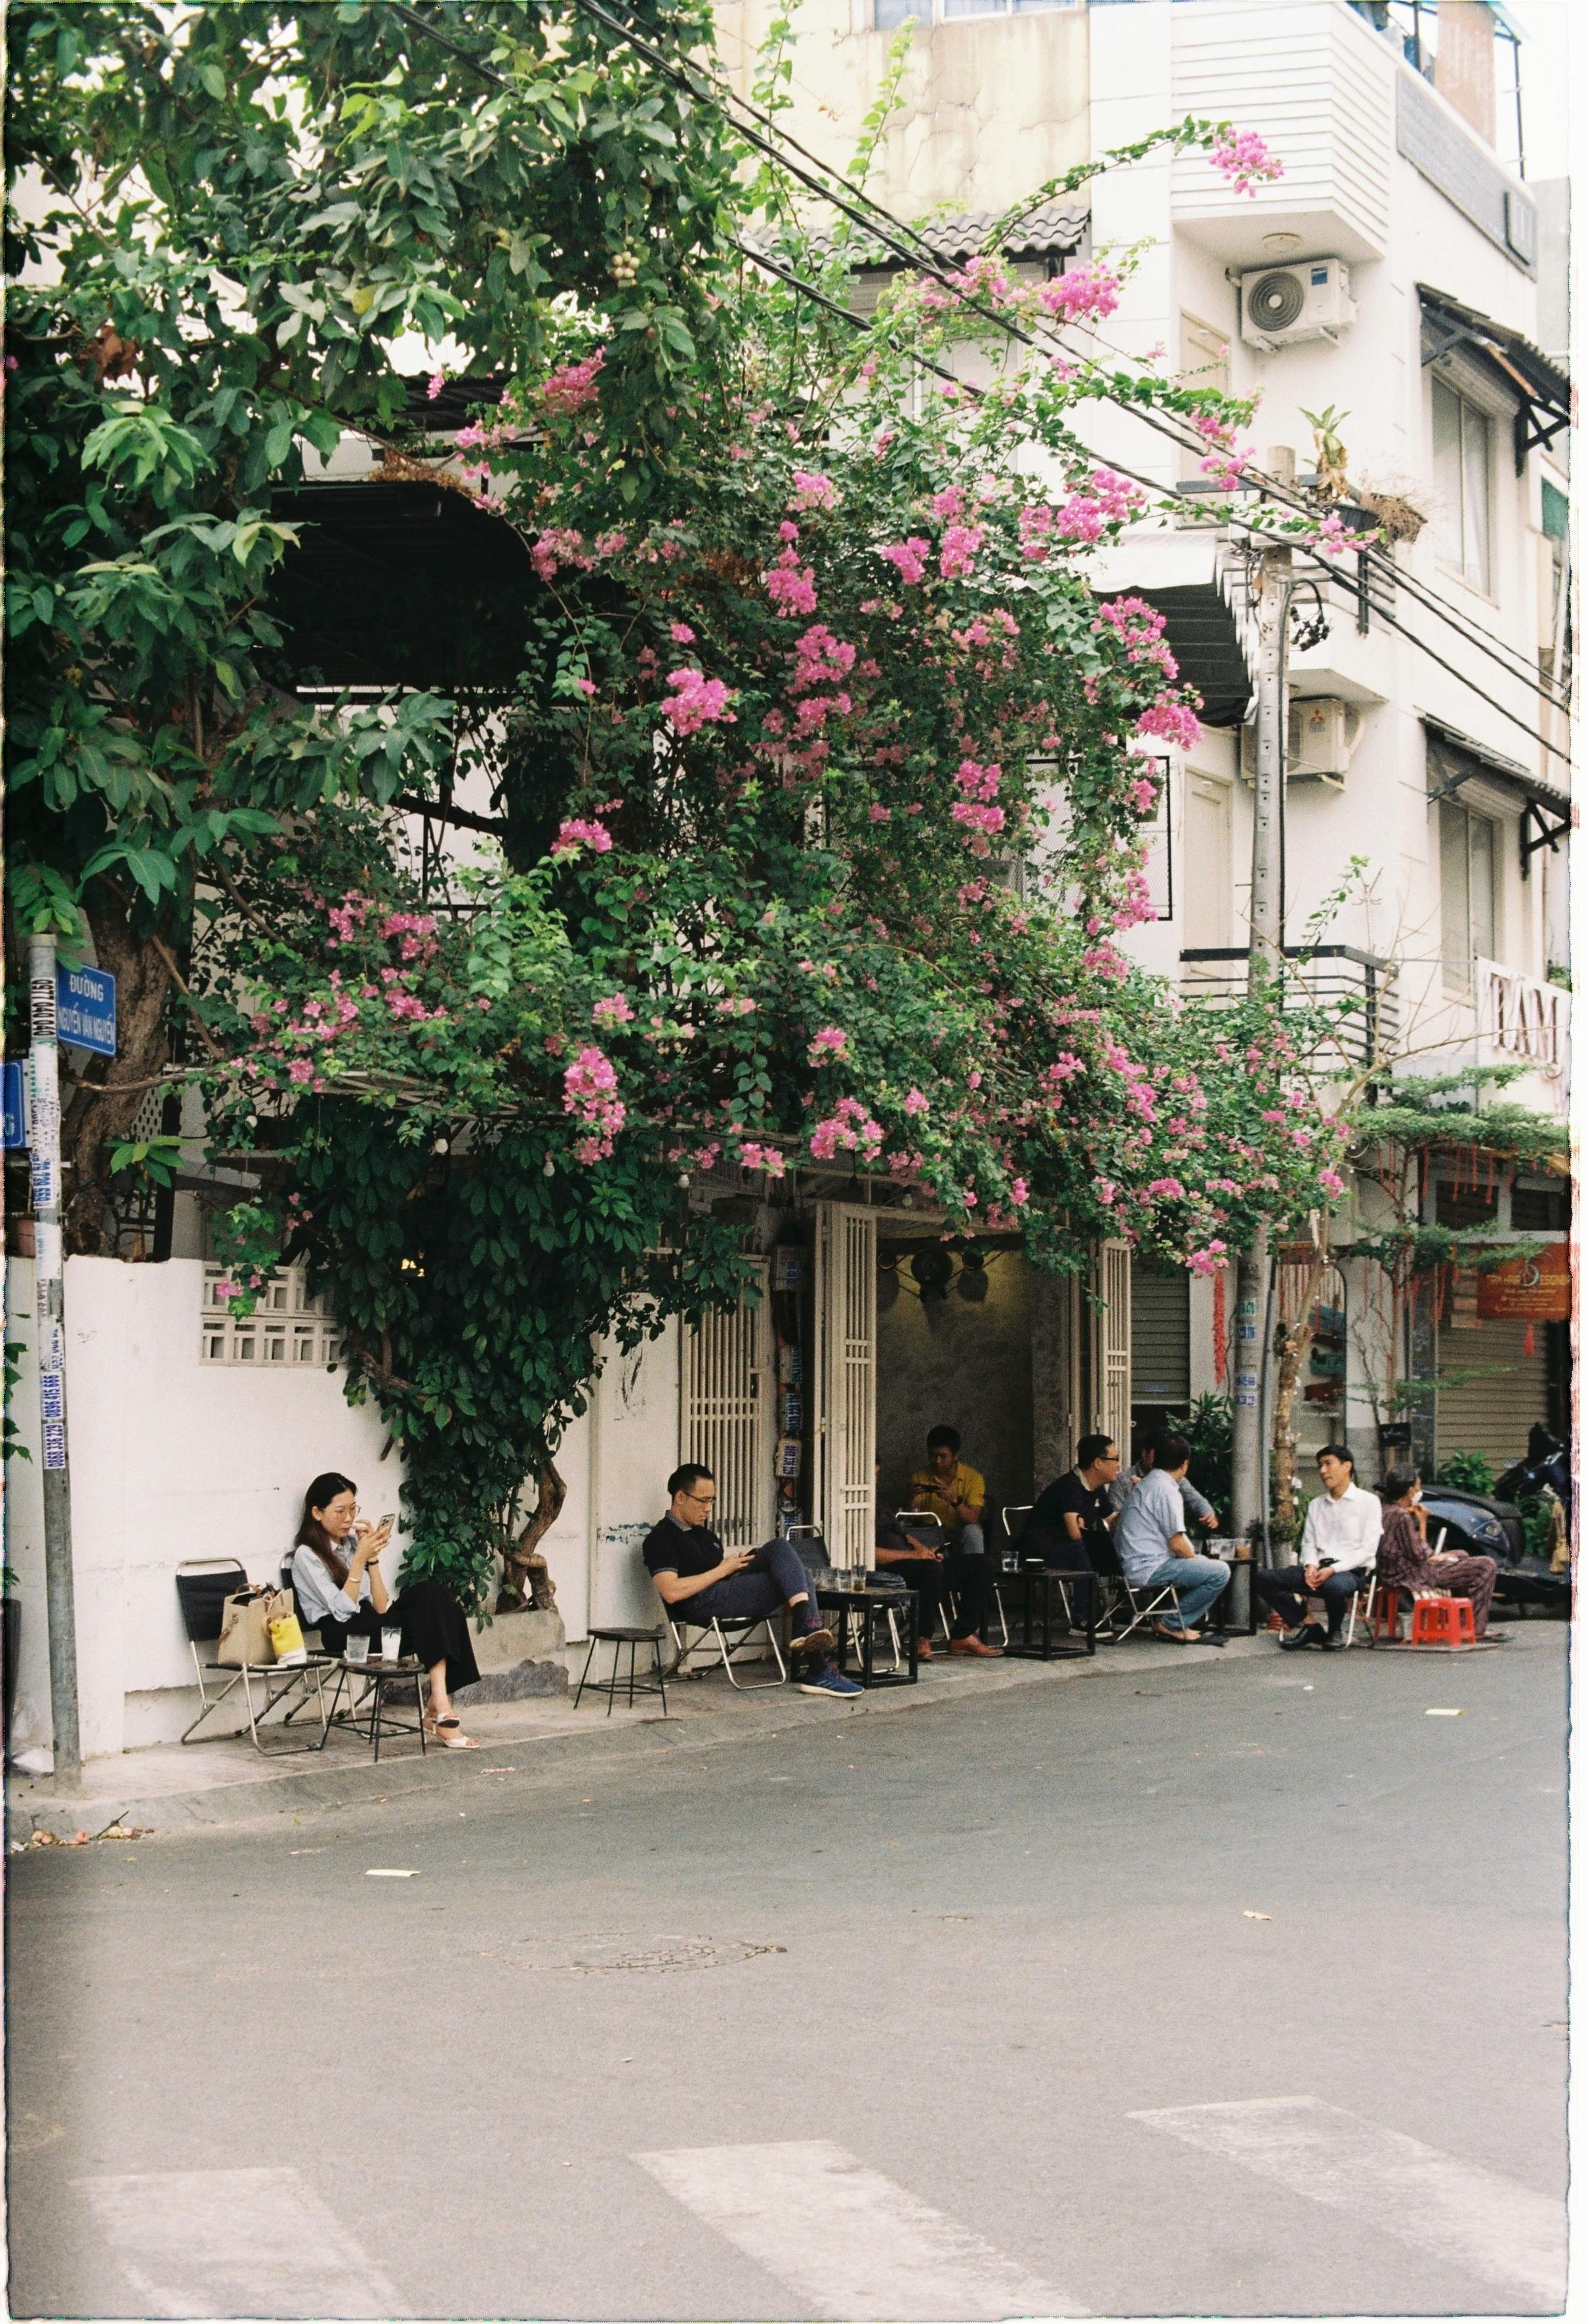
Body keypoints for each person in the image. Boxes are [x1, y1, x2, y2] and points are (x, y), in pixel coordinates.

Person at [291, 1471, 482, 1747]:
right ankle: (439, 1708)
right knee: (439, 1613)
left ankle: (438, 1701)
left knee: (434, 1593)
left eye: (353, 1509)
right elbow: (342, 1612)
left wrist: (373, 1560)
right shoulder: (306, 1556)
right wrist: (359, 1559)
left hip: (370, 1622)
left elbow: (381, 1607)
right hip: (342, 1632)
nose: (349, 1518)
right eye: (341, 1511)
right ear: (317, 1513)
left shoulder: (354, 1544)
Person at [642, 1463, 862, 1700]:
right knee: (797, 1577)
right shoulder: (661, 1538)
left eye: (712, 1501)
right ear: (680, 1498)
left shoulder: (704, 1535)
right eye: (703, 1501)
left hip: (725, 1588)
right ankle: (816, 1661)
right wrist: (721, 1570)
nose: (708, 1509)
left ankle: (808, 1631)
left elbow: (721, 1572)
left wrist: (736, 1565)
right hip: (701, 1603)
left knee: (780, 1549)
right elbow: (671, 1592)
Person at [1254, 1444, 1381, 1650]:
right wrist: (1311, 1566)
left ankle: (1334, 1630)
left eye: (1328, 1464)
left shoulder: (1369, 1502)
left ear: (1347, 1466)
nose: (1322, 1471)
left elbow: (1368, 1550)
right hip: (1318, 1568)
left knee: (1335, 1586)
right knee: (1264, 1579)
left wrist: (1333, 1570)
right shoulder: (1317, 1504)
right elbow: (1309, 1543)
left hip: (1350, 1571)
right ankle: (1309, 1623)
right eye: (1320, 1465)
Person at [1114, 1431, 1231, 1643]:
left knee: (1203, 1564)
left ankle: (1169, 1618)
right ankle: (1171, 1623)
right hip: (1148, 1568)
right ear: (1185, 1465)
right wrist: (1197, 1560)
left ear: (1154, 1457)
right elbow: (1178, 1545)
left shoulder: (1146, 1484)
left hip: (1131, 1564)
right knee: (1220, 1572)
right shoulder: (1166, 1490)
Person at [874, 1478, 1002, 1661]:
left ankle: (963, 1635)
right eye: (875, 1472)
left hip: (917, 1563)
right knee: (931, 1570)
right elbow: (867, 1554)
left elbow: (905, 1535)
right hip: (889, 1571)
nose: (877, 1477)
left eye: (878, 1472)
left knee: (982, 1565)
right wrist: (914, 1556)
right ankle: (922, 1638)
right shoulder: (857, 1508)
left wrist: (925, 1552)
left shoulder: (879, 1501)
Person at [1375, 1467, 1500, 1640]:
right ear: (1410, 1490)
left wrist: (1435, 1556)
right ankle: (1476, 1629)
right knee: (1486, 1565)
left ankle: (1461, 1622)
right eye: (1418, 1487)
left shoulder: (1385, 1510)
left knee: (1462, 1555)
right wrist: (1423, 1522)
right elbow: (1419, 1555)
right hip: (1412, 1575)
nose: (1419, 1491)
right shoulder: (1400, 1515)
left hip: (1394, 1571)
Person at [1026, 1433, 1122, 1570]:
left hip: (1065, 1549)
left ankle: (1121, 1589)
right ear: (1098, 1463)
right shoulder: (1070, 1486)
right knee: (1084, 1550)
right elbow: (1075, 1534)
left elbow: (1113, 1522)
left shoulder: (1097, 1488)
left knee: (1113, 1548)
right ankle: (1086, 1593)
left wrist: (1134, 1503)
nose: (1118, 1466)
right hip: (1041, 1549)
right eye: (1115, 1459)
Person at [1107, 1427, 1221, 1534]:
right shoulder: (1122, 1481)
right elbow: (1115, 1522)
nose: (1163, 1460)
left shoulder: (1175, 1478)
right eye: (1158, 1455)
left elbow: (1195, 1499)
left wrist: (1208, 1514)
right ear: (1145, 1453)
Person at [906, 1425, 987, 1557]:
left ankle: (975, 1570)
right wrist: (912, 1498)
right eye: (933, 1455)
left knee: (973, 1532)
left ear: (955, 1455)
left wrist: (955, 1501)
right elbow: (911, 1519)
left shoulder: (973, 1478)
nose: (938, 1461)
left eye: (943, 1456)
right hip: (930, 1534)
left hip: (959, 1534)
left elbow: (973, 1519)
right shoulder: (920, 1476)